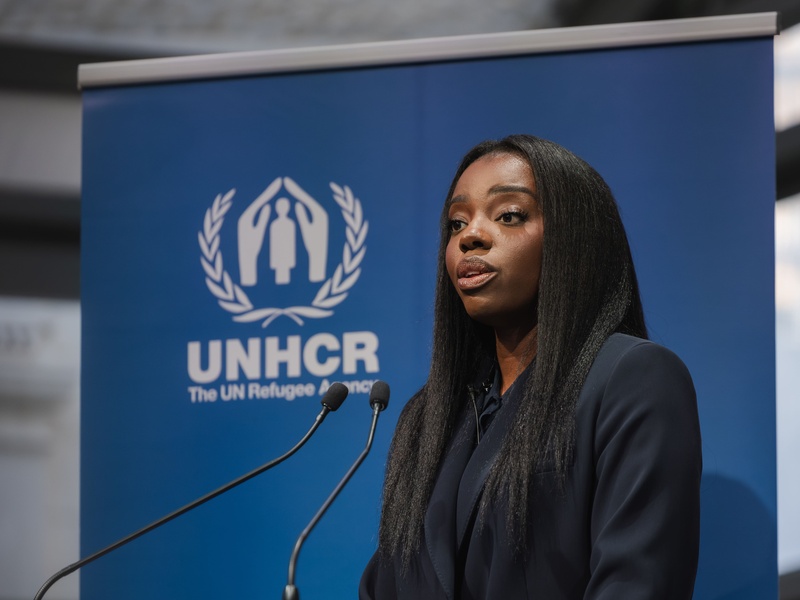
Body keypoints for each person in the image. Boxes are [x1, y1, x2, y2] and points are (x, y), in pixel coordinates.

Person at [359, 134, 702, 599]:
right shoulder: (427, 419)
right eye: (456, 224)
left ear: (573, 238)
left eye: (508, 215)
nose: (471, 236)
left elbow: (636, 585)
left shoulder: (631, 380)